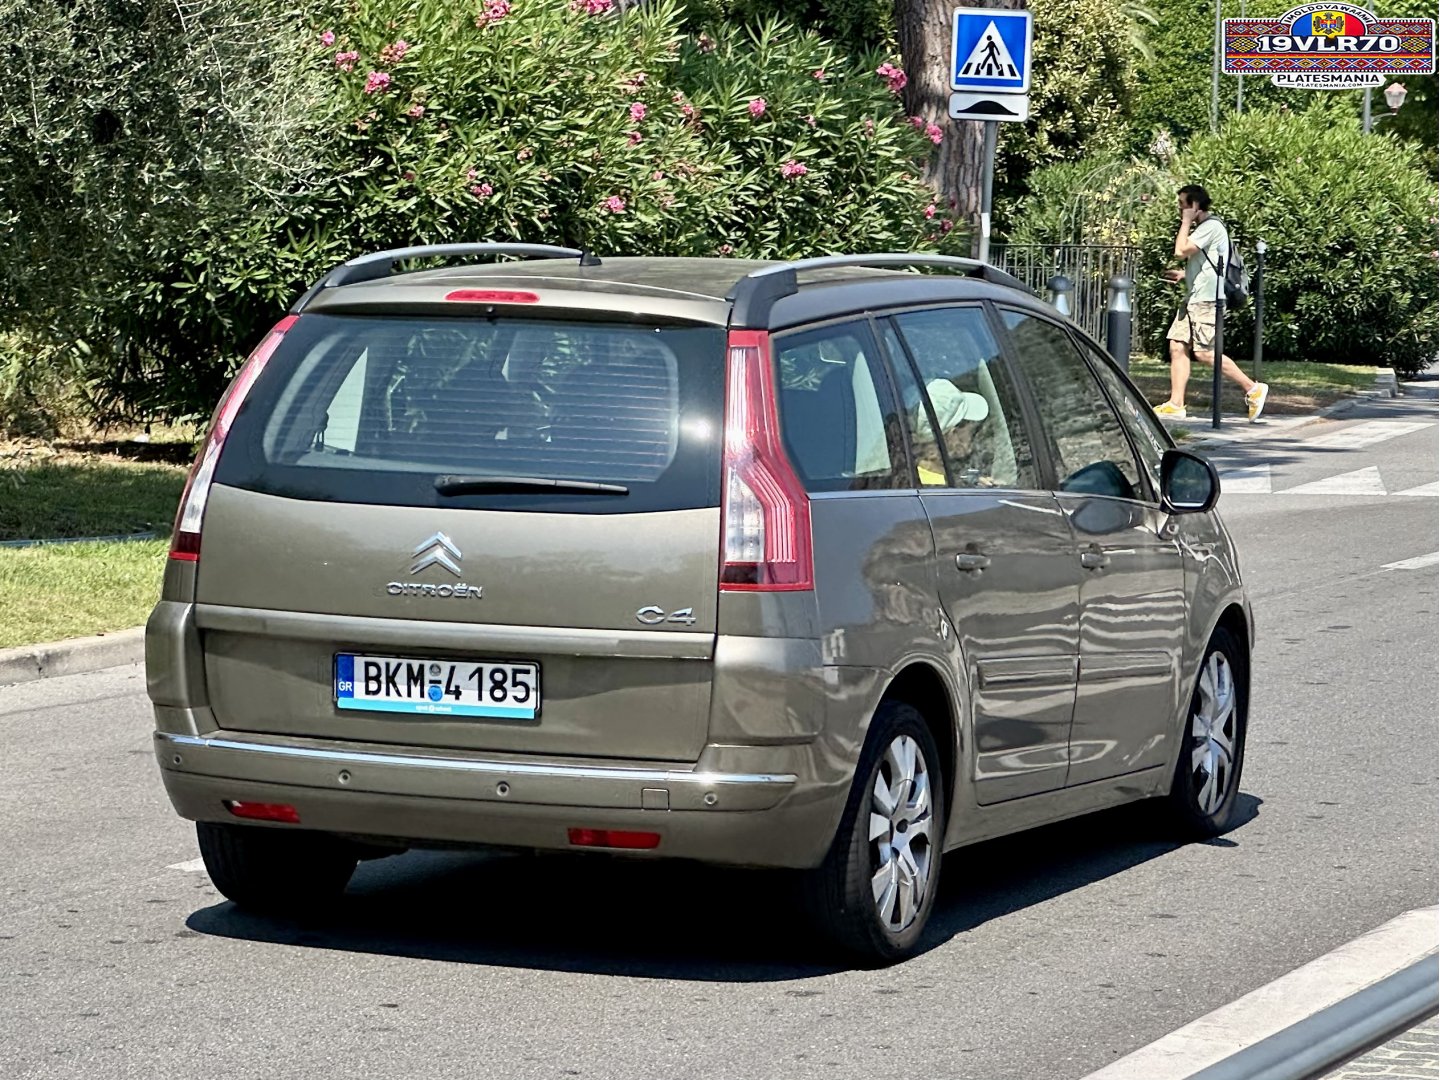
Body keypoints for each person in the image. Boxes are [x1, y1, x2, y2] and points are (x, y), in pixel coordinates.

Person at [1154, 184, 1268, 422]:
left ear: (1195, 206)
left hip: (1207, 301)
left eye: (1183, 205)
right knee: (1177, 345)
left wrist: (1185, 222)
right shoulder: (1206, 228)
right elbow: (1210, 265)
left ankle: (1252, 389)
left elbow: (1181, 250)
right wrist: (1185, 275)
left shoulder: (1210, 226)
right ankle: (1176, 403)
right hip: (1194, 298)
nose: (1180, 209)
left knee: (1205, 354)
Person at [914, 380, 992, 486]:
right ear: (953, 433)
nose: (974, 436)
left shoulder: (917, 476)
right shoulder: (943, 486)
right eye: (973, 429)